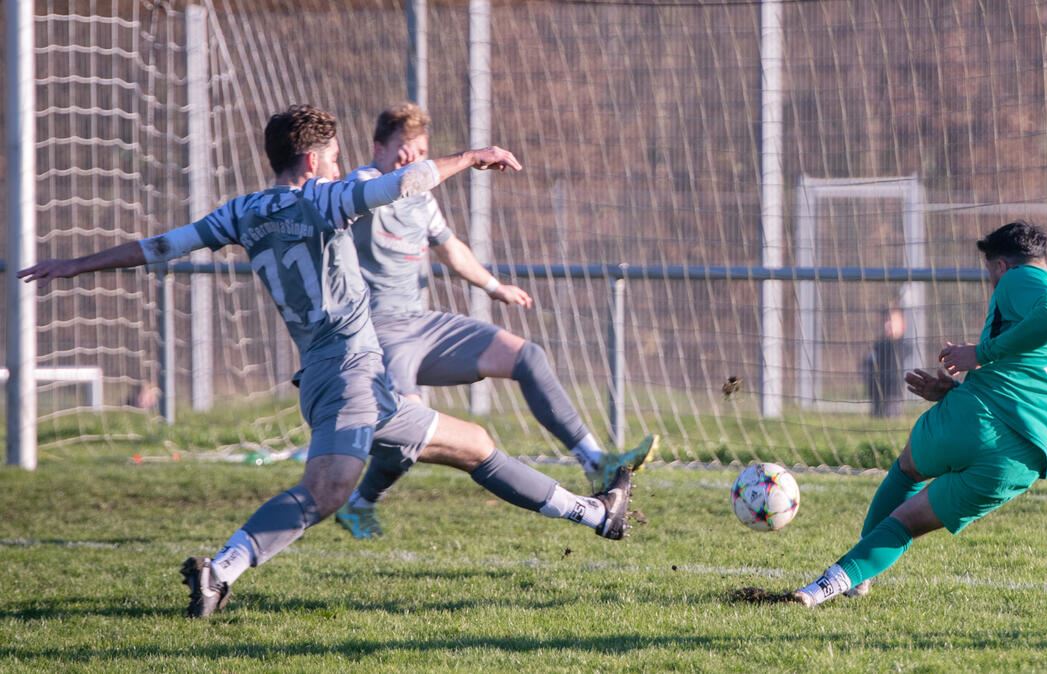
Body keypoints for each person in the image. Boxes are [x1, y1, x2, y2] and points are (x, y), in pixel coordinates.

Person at [19, 105, 635, 619]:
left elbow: (159, 247)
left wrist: (76, 264)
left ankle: (597, 514)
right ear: (313, 160)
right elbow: (407, 183)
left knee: (473, 442)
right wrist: (471, 158)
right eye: (336, 158)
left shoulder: (240, 211)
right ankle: (223, 569)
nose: (342, 167)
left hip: (336, 373)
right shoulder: (322, 199)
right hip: (351, 373)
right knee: (327, 489)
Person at [334, 102, 656, 539]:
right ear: (378, 148)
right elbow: (404, 181)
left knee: (526, 356)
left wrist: (493, 286)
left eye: (420, 150)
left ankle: (595, 461)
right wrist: (467, 158)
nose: (413, 158)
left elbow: (449, 247)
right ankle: (360, 503)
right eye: (403, 149)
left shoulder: (422, 200)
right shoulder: (361, 184)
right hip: (377, 333)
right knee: (411, 429)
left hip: (422, 323)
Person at [756, 220, 1047, 607]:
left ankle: (854, 581)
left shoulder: (1019, 278)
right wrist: (956, 389)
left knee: (909, 471)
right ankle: (823, 590)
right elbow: (1037, 377)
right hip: (1023, 459)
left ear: (999, 265)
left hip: (975, 418)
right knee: (907, 523)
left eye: (989, 275)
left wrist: (978, 354)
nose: (992, 284)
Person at [862, 304, 909, 418]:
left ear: (902, 325)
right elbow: (867, 364)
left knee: (890, 417)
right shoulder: (878, 346)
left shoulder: (904, 347)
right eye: (886, 320)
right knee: (876, 419)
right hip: (876, 394)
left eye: (892, 321)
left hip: (893, 396)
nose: (887, 324)